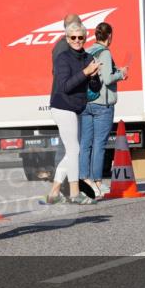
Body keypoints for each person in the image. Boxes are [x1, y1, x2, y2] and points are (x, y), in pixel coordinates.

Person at [46, 20, 102, 204]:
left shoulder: (87, 57)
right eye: (73, 37)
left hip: (76, 107)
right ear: (68, 39)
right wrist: (86, 72)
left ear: (85, 38)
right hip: (62, 105)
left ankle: (54, 192)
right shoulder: (63, 58)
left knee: (71, 151)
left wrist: (94, 77)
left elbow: (95, 87)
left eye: (81, 37)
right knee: (74, 149)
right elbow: (65, 86)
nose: (77, 40)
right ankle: (74, 193)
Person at [79, 22, 128, 200]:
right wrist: (121, 74)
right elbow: (107, 79)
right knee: (99, 144)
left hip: (86, 103)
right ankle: (98, 182)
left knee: (85, 144)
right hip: (102, 104)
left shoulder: (88, 51)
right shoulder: (105, 53)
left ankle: (84, 181)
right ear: (109, 36)